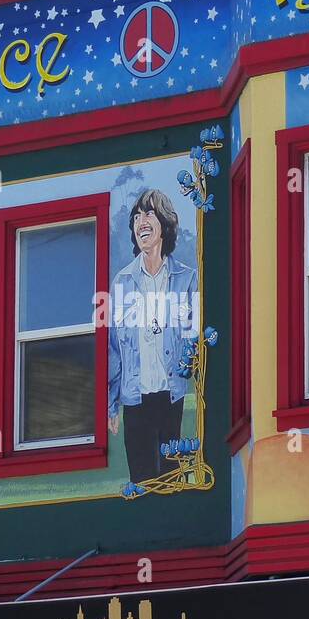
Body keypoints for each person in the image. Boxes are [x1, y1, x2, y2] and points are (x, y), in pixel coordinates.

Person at [108, 189, 199, 484]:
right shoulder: (122, 281)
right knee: (143, 484)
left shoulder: (187, 278)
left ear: (164, 222)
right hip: (135, 400)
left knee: (172, 483)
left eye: (148, 214)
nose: (141, 222)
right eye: (136, 216)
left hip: (171, 396)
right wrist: (111, 405)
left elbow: (194, 334)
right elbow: (112, 349)